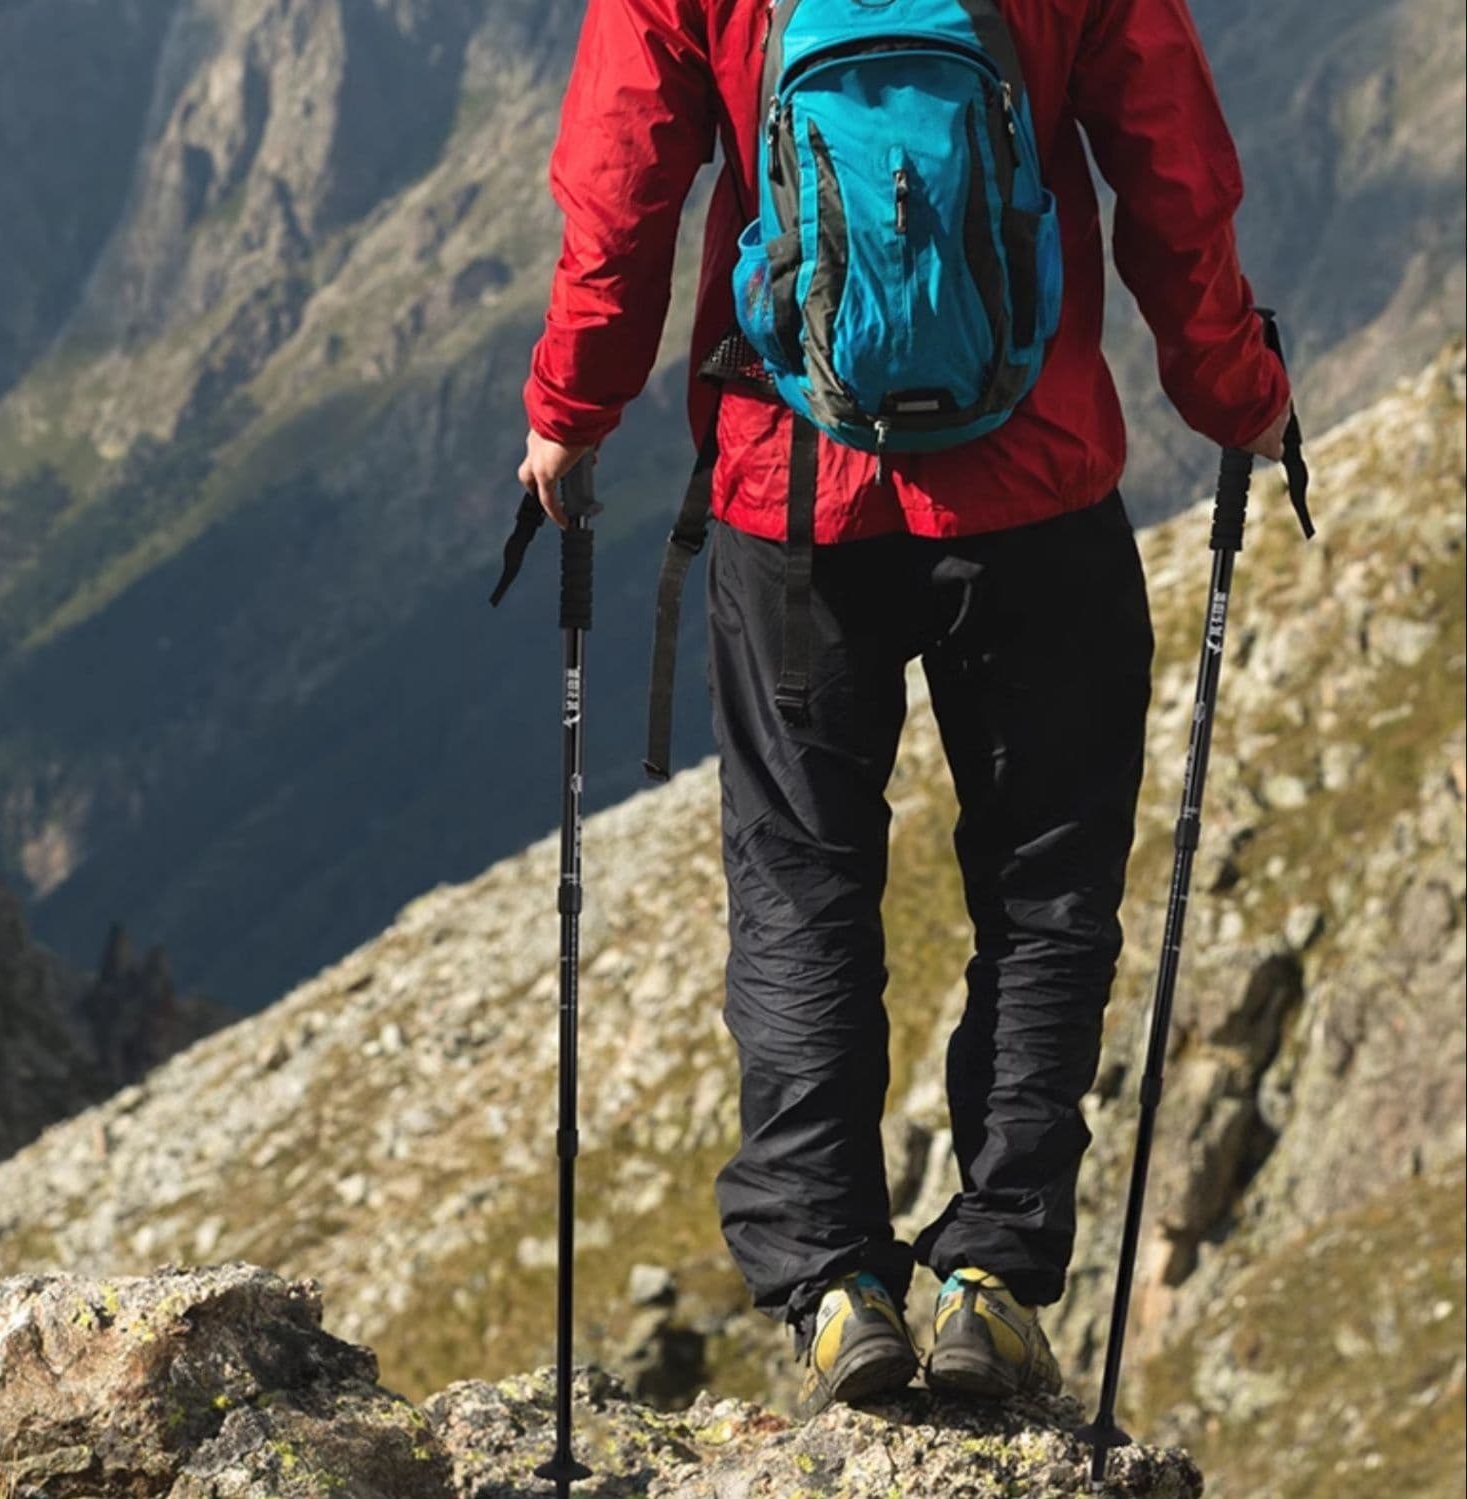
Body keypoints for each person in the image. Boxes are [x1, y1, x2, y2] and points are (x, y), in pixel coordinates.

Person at [517, 0, 1292, 1418]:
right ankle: (989, 1279)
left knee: (802, 884)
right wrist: (1235, 392)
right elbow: (1171, 178)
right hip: (1039, 485)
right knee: (1044, 887)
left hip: (789, 490)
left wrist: (572, 407)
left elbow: (621, 182)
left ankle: (832, 1285)